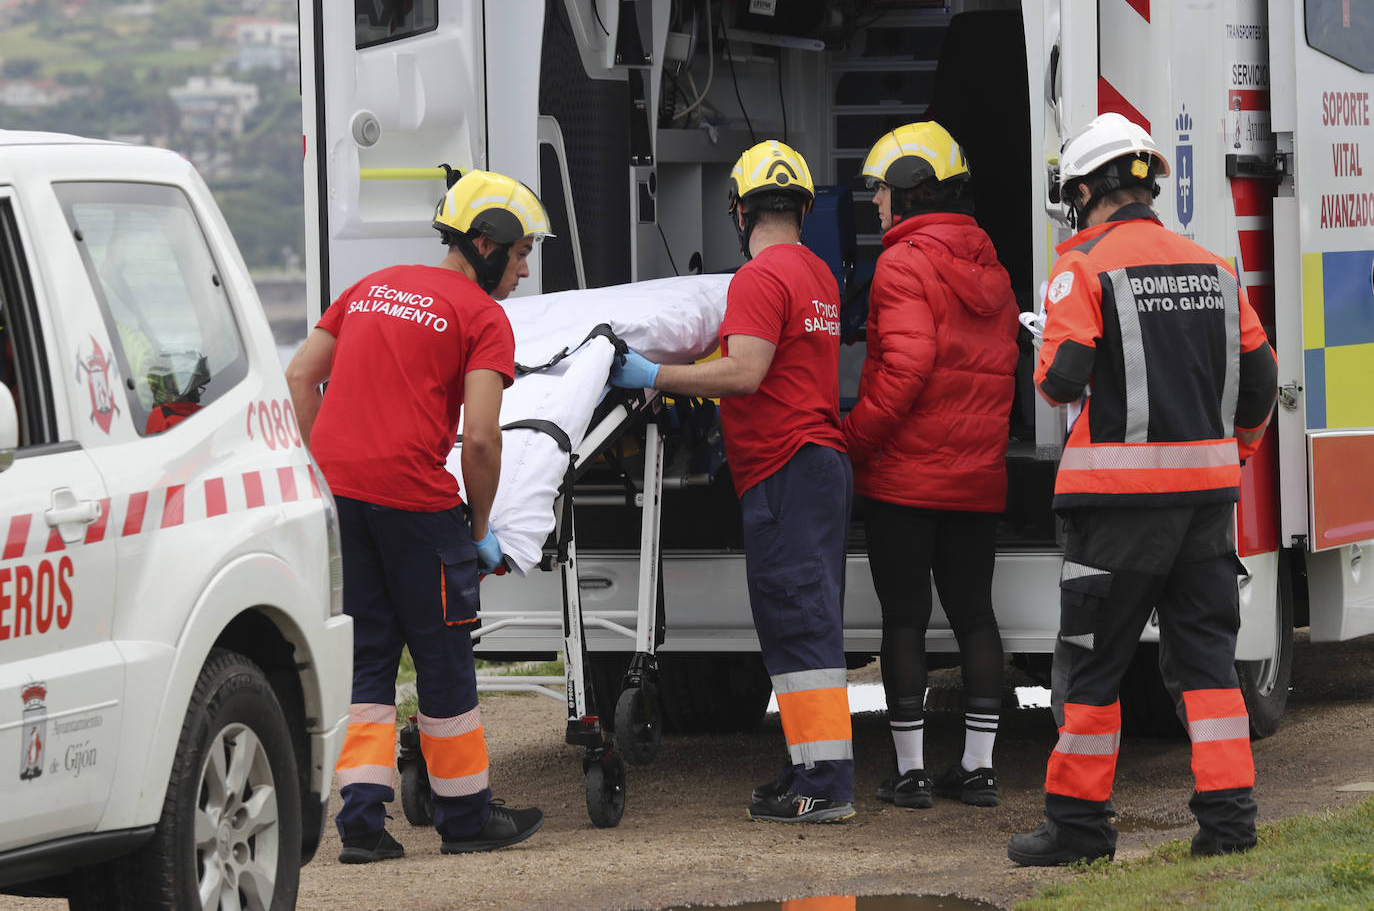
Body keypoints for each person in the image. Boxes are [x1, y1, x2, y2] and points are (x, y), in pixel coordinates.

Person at [1007, 113, 1278, 866]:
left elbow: (1061, 381)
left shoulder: (1082, 267)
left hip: (1115, 512)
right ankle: (1228, 827)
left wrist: (1048, 345)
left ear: (1088, 190)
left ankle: (1079, 831)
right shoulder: (1214, 267)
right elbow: (1259, 379)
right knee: (1207, 668)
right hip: (1205, 511)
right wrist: (1235, 454)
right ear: (1147, 183)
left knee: (1094, 667)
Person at [285, 169, 552, 862]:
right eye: (522, 252)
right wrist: (479, 528)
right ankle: (465, 820)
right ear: (486, 240)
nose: (525, 268)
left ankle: (362, 828)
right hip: (415, 503)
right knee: (443, 658)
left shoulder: (371, 286)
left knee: (368, 660)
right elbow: (485, 438)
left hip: (342, 500)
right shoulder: (482, 317)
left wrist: (320, 476)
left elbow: (298, 377)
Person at [610, 140, 856, 823]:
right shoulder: (819, 274)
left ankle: (826, 784)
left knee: (799, 625)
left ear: (739, 211)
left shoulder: (756, 279)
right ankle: (809, 766)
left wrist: (656, 375)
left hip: (785, 468)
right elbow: (775, 371)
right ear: (805, 208)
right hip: (817, 465)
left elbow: (745, 373)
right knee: (799, 623)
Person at [844, 122, 1018, 810]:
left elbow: (907, 368)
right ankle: (977, 767)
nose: (877, 202)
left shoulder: (901, 264)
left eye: (882, 189)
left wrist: (854, 437)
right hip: (978, 476)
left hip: (907, 477)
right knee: (975, 614)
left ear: (913, 190)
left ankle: (910, 770)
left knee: (906, 619)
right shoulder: (992, 266)